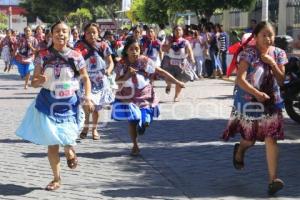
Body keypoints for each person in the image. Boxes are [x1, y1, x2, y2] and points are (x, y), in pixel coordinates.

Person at [16, 21, 93, 191]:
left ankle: (70, 150)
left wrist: (87, 96)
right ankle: (56, 178)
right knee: (52, 142)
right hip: (47, 103)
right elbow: (35, 82)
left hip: (69, 103)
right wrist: (39, 81)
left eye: (64, 31)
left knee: (67, 137)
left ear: (69, 34)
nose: (61, 34)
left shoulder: (76, 55)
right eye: (57, 31)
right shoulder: (42, 55)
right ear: (51, 34)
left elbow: (85, 78)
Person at [222, 21, 288, 195]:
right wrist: (256, 93)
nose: (268, 38)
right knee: (250, 140)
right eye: (263, 35)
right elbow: (240, 80)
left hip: (271, 102)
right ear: (256, 37)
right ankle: (240, 149)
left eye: (270, 35)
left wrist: (272, 63)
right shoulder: (248, 54)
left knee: (271, 138)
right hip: (249, 102)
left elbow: (282, 81)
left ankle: (273, 180)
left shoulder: (279, 54)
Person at [112, 36, 185, 156]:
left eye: (137, 49)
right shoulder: (121, 63)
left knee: (145, 119)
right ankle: (135, 145)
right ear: (126, 50)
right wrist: (127, 75)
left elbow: (160, 72)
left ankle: (143, 125)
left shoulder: (144, 61)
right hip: (128, 96)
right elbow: (117, 82)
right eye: (131, 49)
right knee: (132, 120)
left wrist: (177, 82)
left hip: (145, 95)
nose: (134, 52)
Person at [75, 23, 115, 140]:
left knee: (96, 108)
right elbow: (74, 60)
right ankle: (85, 127)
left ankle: (95, 129)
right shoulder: (79, 46)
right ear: (84, 33)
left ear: (98, 33)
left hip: (99, 81)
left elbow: (110, 62)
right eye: (88, 32)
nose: (91, 35)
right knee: (87, 106)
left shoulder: (103, 45)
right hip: (85, 80)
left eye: (94, 32)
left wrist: (108, 70)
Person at [161, 25, 196, 102]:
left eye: (180, 30)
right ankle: (169, 85)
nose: (178, 31)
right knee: (168, 78)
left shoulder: (185, 41)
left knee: (179, 80)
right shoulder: (168, 40)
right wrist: (170, 43)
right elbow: (163, 49)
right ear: (173, 32)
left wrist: (192, 58)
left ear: (182, 32)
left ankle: (176, 96)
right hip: (169, 62)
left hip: (181, 63)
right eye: (176, 30)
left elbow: (190, 50)